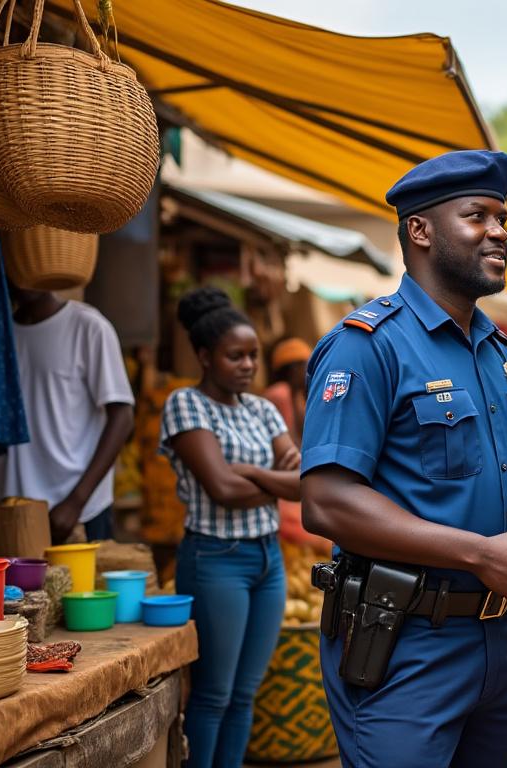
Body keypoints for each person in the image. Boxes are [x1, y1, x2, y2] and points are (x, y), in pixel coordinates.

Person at [299, 150, 507, 768]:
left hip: (497, 640)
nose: (500, 232)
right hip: (403, 640)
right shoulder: (366, 348)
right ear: (420, 231)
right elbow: (324, 501)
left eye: (502, 218)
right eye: (478, 216)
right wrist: (481, 554)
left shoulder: (500, 353)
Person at [160, 287, 302, 768]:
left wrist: (254, 475)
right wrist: (274, 481)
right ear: (204, 356)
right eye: (234, 355)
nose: (247, 365)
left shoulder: (262, 408)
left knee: (245, 693)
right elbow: (221, 489)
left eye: (253, 356)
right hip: (216, 560)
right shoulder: (186, 405)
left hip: (268, 560)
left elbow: (304, 483)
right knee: (213, 694)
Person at [0, 286, 135, 543]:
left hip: (78, 513)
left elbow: (122, 416)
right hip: (9, 511)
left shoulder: (88, 326)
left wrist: (76, 502)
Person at [262, 337, 327, 553]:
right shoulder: (278, 394)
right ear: (290, 368)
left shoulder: (300, 397)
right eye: (303, 365)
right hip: (281, 477)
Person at [264, 336, 312, 447]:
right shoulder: (280, 393)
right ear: (295, 369)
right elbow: (292, 442)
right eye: (307, 364)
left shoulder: (297, 395)